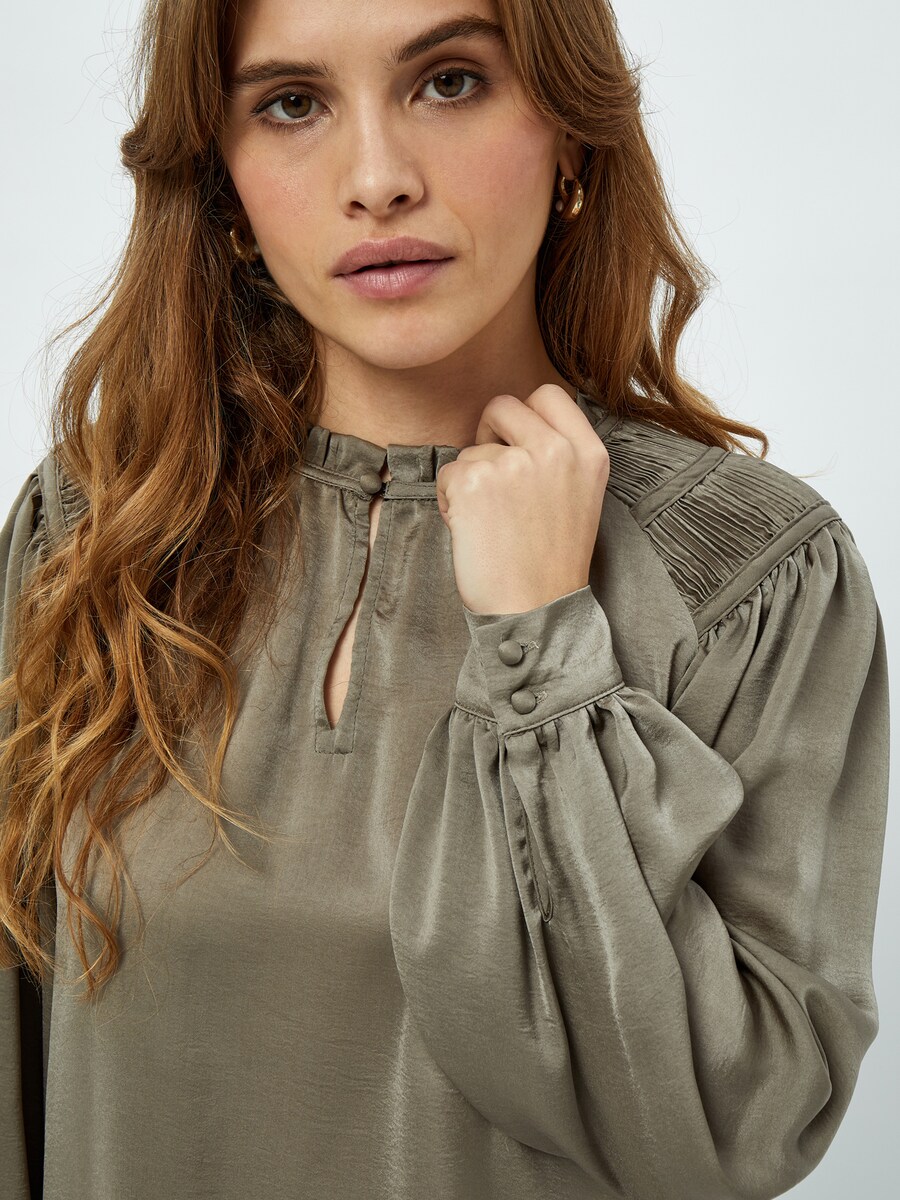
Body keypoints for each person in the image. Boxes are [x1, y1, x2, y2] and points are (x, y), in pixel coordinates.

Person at [0, 0, 889, 1197]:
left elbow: (728, 1137)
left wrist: (541, 649)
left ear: (570, 132)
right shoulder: (97, 532)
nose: (378, 179)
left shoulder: (747, 578)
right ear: (222, 182)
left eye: (450, 82)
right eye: (292, 104)